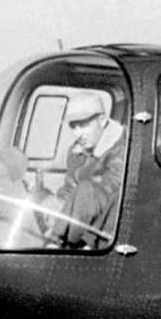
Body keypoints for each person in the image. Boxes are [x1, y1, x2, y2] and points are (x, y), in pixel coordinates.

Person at [42, 91, 125, 248]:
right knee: (37, 198)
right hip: (78, 218)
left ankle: (54, 242)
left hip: (103, 224)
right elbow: (68, 190)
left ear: (102, 120)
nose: (78, 134)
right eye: (73, 127)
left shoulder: (122, 147)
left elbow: (112, 190)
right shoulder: (76, 152)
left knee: (86, 188)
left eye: (84, 125)